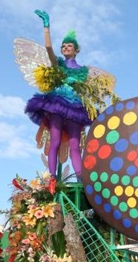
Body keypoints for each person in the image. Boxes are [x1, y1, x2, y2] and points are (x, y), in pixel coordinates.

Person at [24, 10, 92, 180]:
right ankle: (52, 179)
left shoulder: (83, 72)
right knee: (55, 141)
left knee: (75, 147)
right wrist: (47, 27)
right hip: (57, 106)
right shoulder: (59, 64)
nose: (65, 47)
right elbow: (48, 47)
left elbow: (86, 91)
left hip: (75, 109)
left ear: (76, 50)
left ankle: (81, 180)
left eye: (69, 45)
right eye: (63, 46)